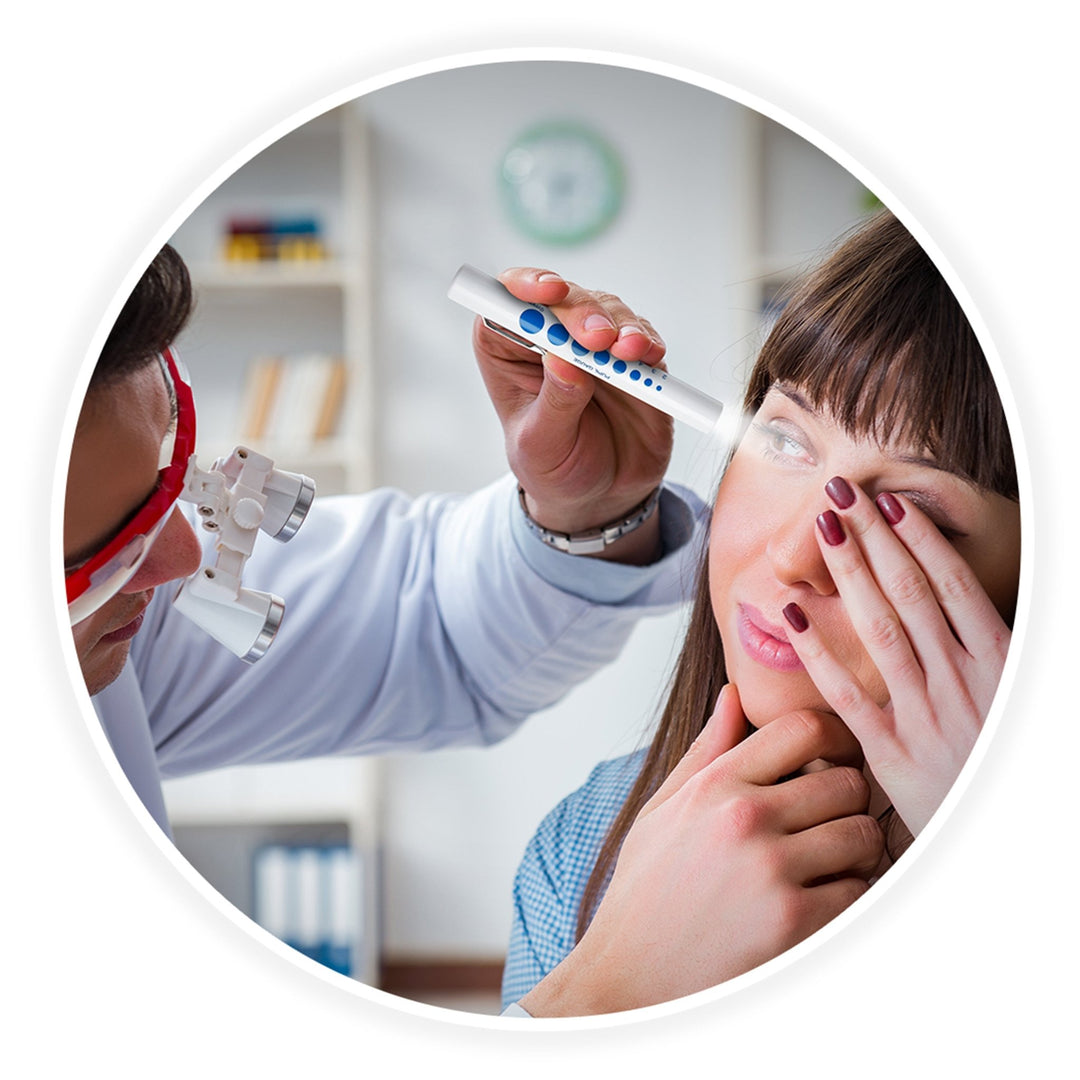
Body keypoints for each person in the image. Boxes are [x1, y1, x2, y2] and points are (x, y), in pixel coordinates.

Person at [501, 209, 1021, 1016]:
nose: (793, 556)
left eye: (909, 513)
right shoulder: (583, 848)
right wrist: (610, 983)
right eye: (785, 442)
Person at [64, 244, 707, 839]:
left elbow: (436, 629)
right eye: (108, 556)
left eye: (166, 480)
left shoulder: (114, 639)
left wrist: (584, 510)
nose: (184, 558)